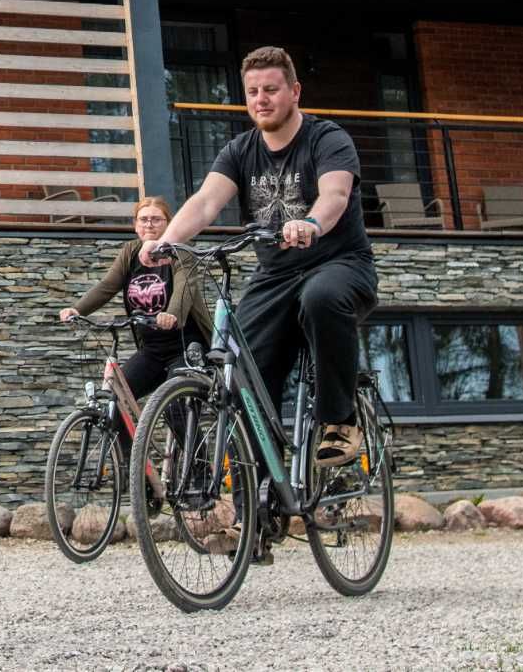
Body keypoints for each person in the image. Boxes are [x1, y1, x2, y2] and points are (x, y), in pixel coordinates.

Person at [145, 47, 378, 472]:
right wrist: (166, 240)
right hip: (275, 276)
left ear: (294, 91)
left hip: (338, 264)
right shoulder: (239, 150)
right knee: (240, 360)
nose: (261, 99)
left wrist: (310, 222)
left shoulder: (327, 139)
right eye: (252, 92)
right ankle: (260, 496)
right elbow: (205, 202)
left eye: (271, 89)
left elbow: (335, 195)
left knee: (322, 299)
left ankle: (340, 422)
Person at [57, 196, 211, 406]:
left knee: (174, 408)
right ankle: (127, 440)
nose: (149, 224)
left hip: (185, 347)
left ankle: (191, 440)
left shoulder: (179, 250)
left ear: (169, 223)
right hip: (151, 350)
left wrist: (172, 314)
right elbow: (107, 286)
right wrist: (77, 309)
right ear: (135, 225)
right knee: (114, 401)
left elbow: (185, 287)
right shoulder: (130, 252)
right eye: (143, 219)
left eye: (156, 219)